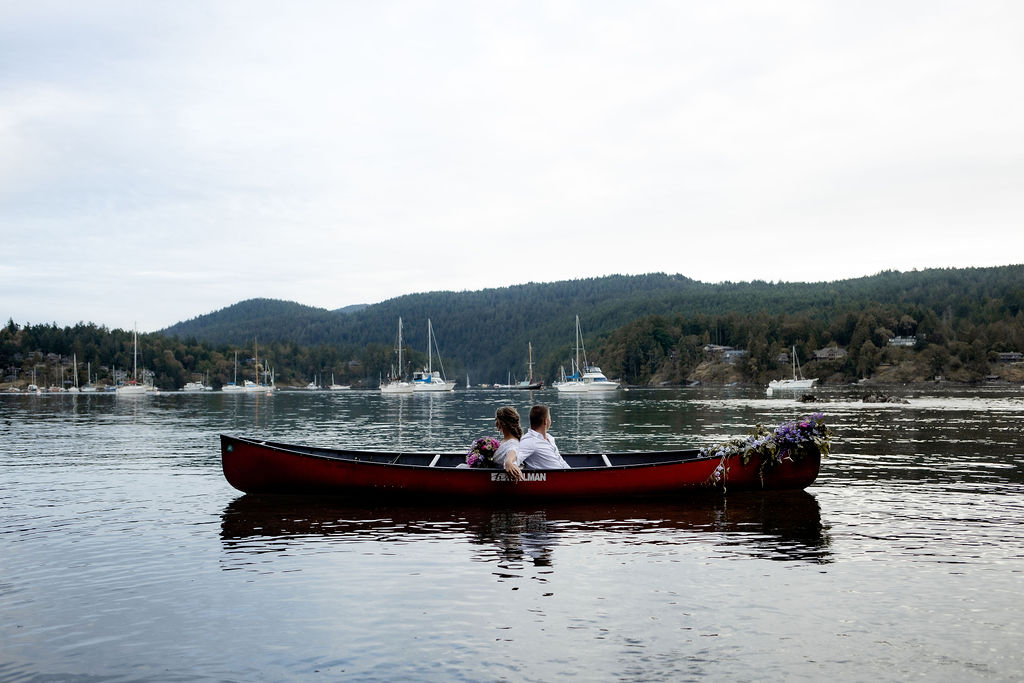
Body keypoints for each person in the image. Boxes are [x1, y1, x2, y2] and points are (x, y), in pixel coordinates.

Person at [505, 405, 569, 479]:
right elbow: (516, 457)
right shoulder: (530, 441)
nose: (550, 420)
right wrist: (509, 462)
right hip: (554, 480)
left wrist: (571, 473)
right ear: (545, 421)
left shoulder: (549, 438)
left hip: (566, 475)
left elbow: (560, 460)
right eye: (550, 418)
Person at [492, 406, 523, 474]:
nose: (496, 423)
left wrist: (508, 462)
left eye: (496, 420)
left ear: (502, 423)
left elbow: (512, 451)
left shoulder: (513, 443)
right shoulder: (505, 441)